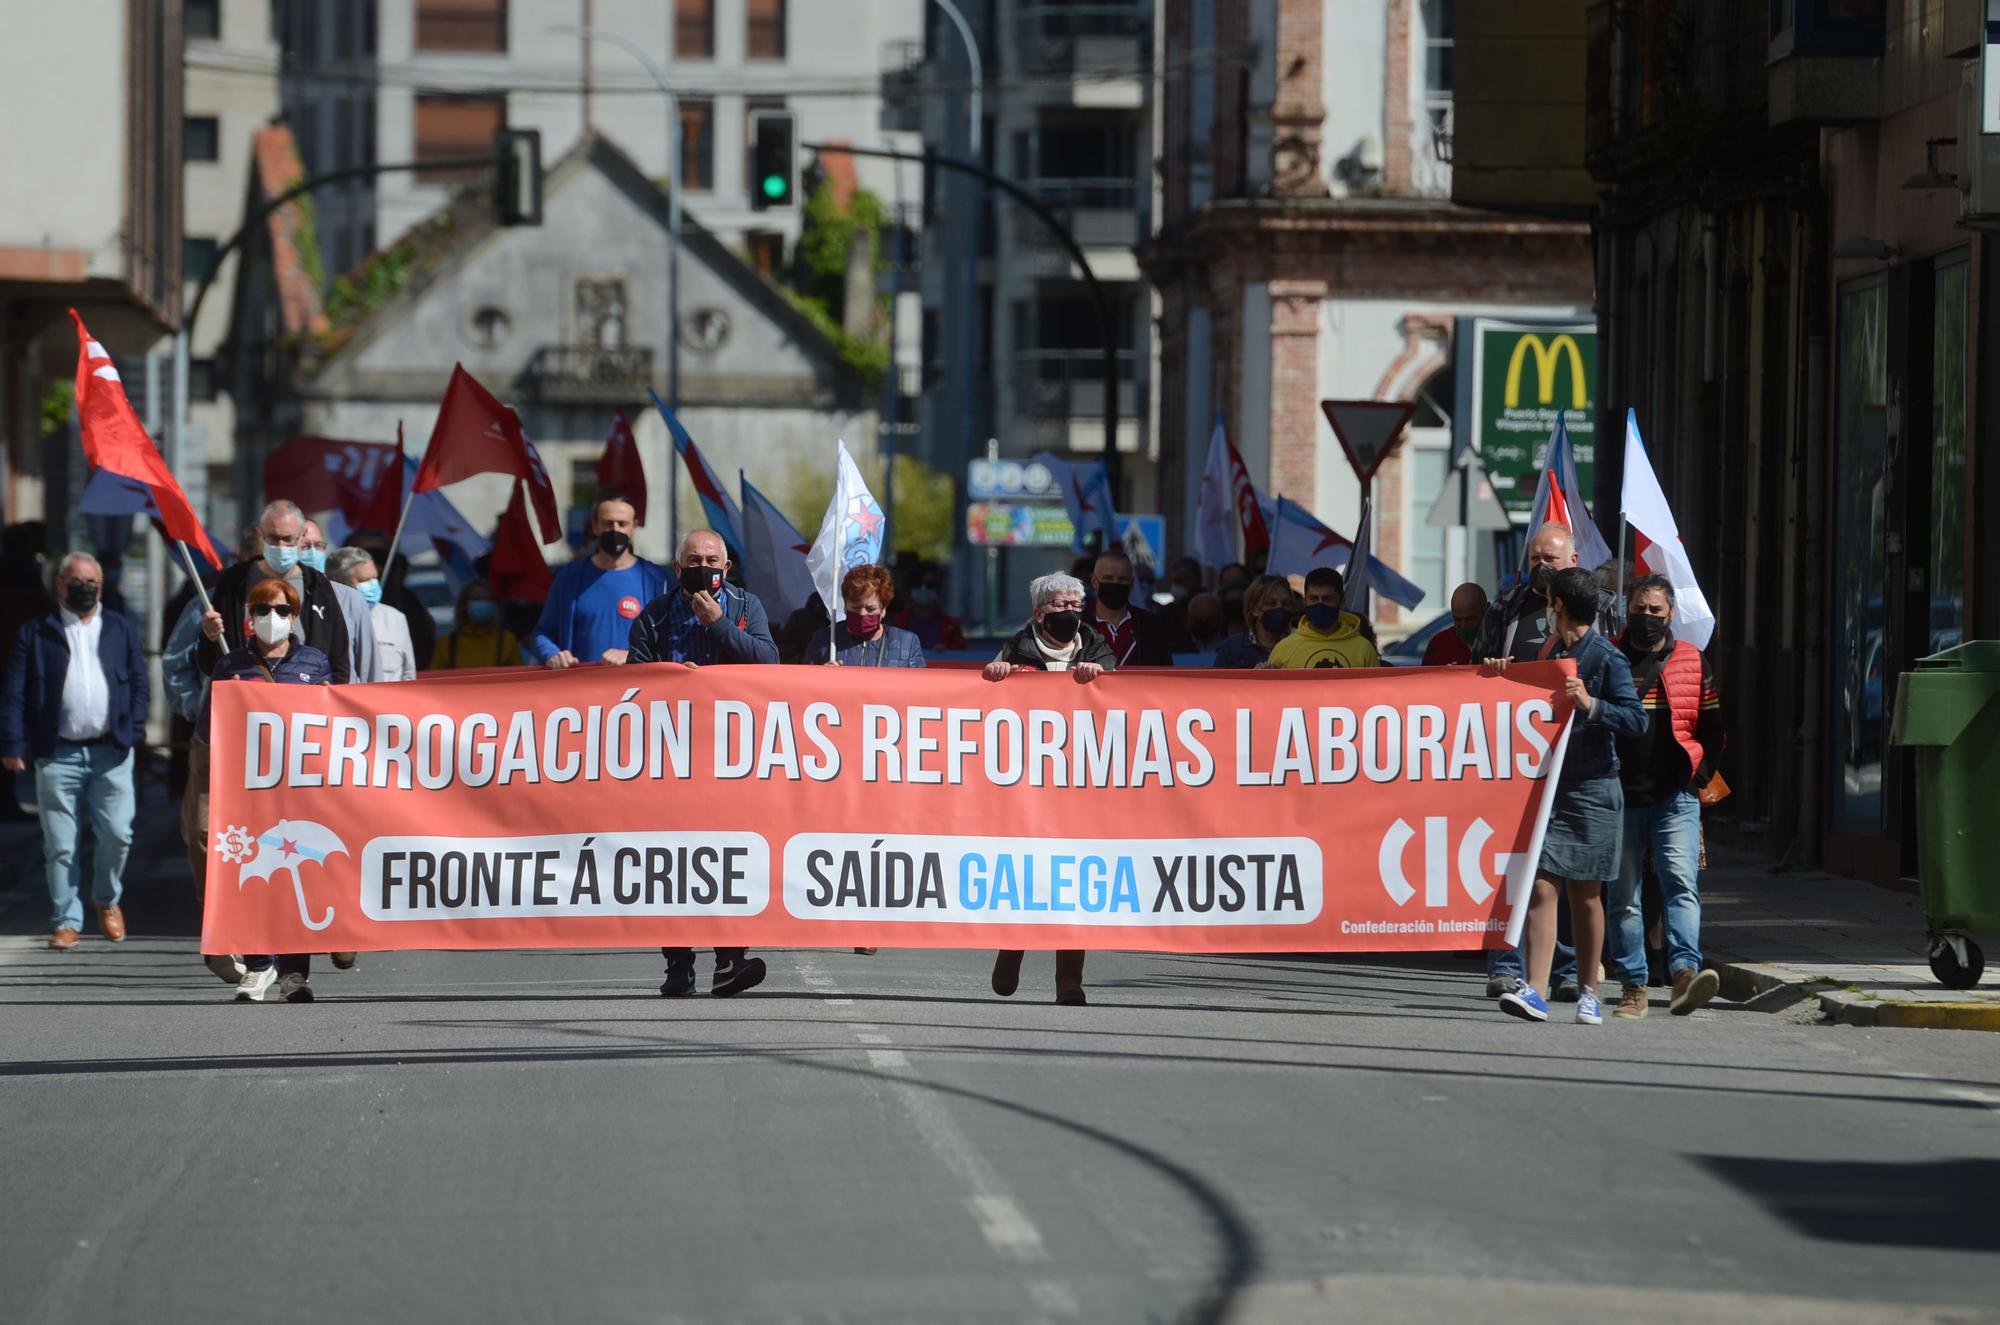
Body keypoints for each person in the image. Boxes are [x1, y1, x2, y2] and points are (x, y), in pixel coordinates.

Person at [1492, 567, 1648, 1026]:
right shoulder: (1552, 650)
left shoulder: (1606, 658)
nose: (1545, 607)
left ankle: (1589, 993)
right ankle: (1535, 991)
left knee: (1586, 895)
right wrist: (1502, 675)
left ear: (1558, 606)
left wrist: (1592, 705)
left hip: (1595, 788)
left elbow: (1636, 720)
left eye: (1548, 600)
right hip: (1552, 788)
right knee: (1541, 884)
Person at [628, 528, 779, 998]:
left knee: (731, 856)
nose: (703, 566)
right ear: (678, 569)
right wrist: (672, 681)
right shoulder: (655, 616)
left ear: (726, 567)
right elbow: (633, 681)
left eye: (712, 559)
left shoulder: (745, 607)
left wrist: (718, 624)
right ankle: (678, 964)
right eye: (694, 559)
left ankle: (731, 959)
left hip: (732, 756)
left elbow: (769, 663)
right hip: (672, 757)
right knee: (671, 860)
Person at [197, 576, 334, 1003]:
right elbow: (209, 727)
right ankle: (258, 966)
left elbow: (335, 724)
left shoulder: (315, 664)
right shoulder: (230, 665)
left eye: (279, 611)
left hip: (300, 789)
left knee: (300, 874)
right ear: (249, 618)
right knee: (253, 874)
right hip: (248, 789)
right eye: (261, 610)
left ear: (294, 617)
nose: (270, 618)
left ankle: (295, 972)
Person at [0, 554, 146, 950]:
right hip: (57, 753)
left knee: (118, 833)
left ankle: (106, 899)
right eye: (77, 580)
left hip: (111, 751)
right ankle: (66, 918)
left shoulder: (118, 628)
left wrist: (134, 729)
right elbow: (15, 692)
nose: (85, 588)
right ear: (59, 584)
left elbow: (137, 681)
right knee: (60, 843)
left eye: (92, 582)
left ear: (101, 586)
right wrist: (13, 744)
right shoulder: (36, 632)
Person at [981, 571, 1114, 1006]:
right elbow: (986, 705)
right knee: (1027, 875)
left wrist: (1102, 677)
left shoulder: (1097, 648)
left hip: (1080, 787)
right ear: (1040, 612)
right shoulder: (1015, 649)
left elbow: (1121, 700)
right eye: (1062, 606)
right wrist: (996, 674)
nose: (1072, 612)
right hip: (1027, 788)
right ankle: (1012, 948)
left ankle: (1069, 981)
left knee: (1072, 883)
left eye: (1077, 605)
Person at [1608, 575, 1727, 1019]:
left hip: (1675, 796)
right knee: (1624, 895)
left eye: (1655, 611)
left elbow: (1713, 727)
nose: (1647, 617)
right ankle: (1633, 986)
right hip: (1620, 796)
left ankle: (1684, 975)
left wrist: (1701, 773)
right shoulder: (1610, 658)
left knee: (1682, 885)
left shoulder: (1693, 661)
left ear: (1671, 614)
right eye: (1639, 609)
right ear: (1627, 610)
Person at [197, 500, 351, 685]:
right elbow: (209, 663)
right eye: (272, 538)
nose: (280, 545)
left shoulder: (318, 585)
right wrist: (210, 637)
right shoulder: (234, 582)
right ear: (260, 536)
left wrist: (331, 696)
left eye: (288, 538)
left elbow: (339, 655)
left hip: (305, 705)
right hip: (246, 701)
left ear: (301, 537)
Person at [525, 497, 666, 668]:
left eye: (622, 524)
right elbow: (543, 632)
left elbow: (673, 636)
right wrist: (552, 654)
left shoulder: (657, 580)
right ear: (595, 526)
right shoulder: (569, 578)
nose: (615, 530)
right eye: (608, 523)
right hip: (580, 688)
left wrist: (634, 654)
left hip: (636, 688)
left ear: (634, 527)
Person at [345, 526, 438, 670]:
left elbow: (419, 655)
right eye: (361, 556)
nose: (373, 563)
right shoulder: (331, 601)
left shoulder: (405, 602)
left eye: (380, 556)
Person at [302, 519, 380, 683]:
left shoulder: (350, 598)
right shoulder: (274, 596)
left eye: (318, 546)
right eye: (305, 546)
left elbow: (369, 669)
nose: (312, 552)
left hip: (341, 703)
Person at [807, 565, 926, 667]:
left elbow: (919, 689)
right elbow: (805, 686)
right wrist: (821, 676)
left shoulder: (907, 643)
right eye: (855, 607)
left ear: (883, 609)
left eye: (871, 609)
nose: (862, 614)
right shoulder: (824, 640)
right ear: (845, 605)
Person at [327, 547, 417, 681]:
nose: (373, 585)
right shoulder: (323, 619)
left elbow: (408, 674)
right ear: (337, 582)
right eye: (364, 580)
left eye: (375, 578)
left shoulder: (395, 618)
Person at [1265, 567, 1380, 669]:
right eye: (1314, 599)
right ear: (1305, 602)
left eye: (1327, 599)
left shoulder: (1364, 650)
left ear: (1341, 602)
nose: (1320, 605)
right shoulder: (1284, 649)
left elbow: (1376, 691)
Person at [1085, 548, 1182, 667]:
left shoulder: (1151, 626)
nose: (1116, 584)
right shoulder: (1079, 624)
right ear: (1094, 581)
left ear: (1131, 584)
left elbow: (1164, 673)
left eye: (1122, 579)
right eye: (1108, 578)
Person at [1213, 575, 1300, 669]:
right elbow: (1218, 683)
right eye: (1271, 603)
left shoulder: (1300, 646)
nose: (1279, 608)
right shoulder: (1230, 649)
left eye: (1285, 604)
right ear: (1254, 609)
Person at [435, 580, 523, 669]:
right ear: (464, 606)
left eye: (487, 599)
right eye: (476, 599)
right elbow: (433, 678)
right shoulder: (447, 644)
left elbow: (520, 678)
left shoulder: (508, 641)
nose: (482, 603)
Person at [1422, 582, 1489, 667]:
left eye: (1470, 619)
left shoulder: (1500, 641)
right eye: (1458, 619)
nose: (1464, 625)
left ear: (1486, 610)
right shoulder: (1439, 644)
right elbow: (1425, 678)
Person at [893, 575, 966, 652]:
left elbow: (963, 657)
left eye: (929, 585)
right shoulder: (896, 623)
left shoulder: (952, 627)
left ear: (938, 589)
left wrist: (948, 651)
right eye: (917, 585)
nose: (923, 588)